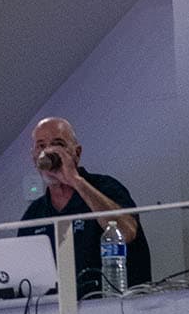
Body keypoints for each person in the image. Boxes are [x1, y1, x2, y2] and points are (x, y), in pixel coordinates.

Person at [20, 117, 147, 296]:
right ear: (34, 157)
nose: (48, 152)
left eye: (58, 144)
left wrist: (75, 181)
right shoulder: (33, 214)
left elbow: (126, 232)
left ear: (77, 153)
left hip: (116, 308)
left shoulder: (106, 187)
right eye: (41, 146)